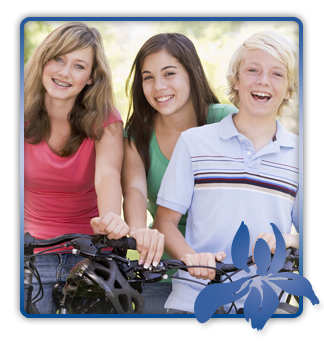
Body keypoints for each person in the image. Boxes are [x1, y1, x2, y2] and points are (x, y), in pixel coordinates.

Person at [153, 30, 299, 314]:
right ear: (236, 79)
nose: (263, 81)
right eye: (252, 70)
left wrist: (289, 239)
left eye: (277, 74)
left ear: (290, 89)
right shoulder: (194, 142)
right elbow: (164, 223)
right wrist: (191, 258)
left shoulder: (303, 157)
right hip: (192, 305)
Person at [122, 32, 238, 314]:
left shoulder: (225, 119)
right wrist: (138, 230)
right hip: (166, 270)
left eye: (169, 73)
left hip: (225, 265)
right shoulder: (137, 134)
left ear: (193, 72)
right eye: (147, 77)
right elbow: (134, 190)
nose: (158, 86)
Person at [24, 22, 129, 314]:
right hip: (29, 254)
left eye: (78, 65)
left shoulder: (105, 119)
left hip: (90, 257)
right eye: (58, 58)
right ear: (43, 60)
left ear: (91, 78)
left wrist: (109, 221)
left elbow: (108, 174)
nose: (64, 72)